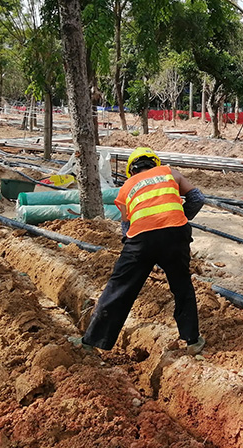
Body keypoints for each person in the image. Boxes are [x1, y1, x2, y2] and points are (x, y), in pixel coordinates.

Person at [81, 147, 206, 355]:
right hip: (176, 234)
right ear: (154, 163)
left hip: (141, 240)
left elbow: (126, 227)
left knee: (118, 288)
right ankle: (192, 340)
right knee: (182, 286)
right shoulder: (169, 172)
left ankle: (91, 342)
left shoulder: (126, 187)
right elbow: (197, 199)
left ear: (131, 169)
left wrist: (135, 254)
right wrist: (179, 218)